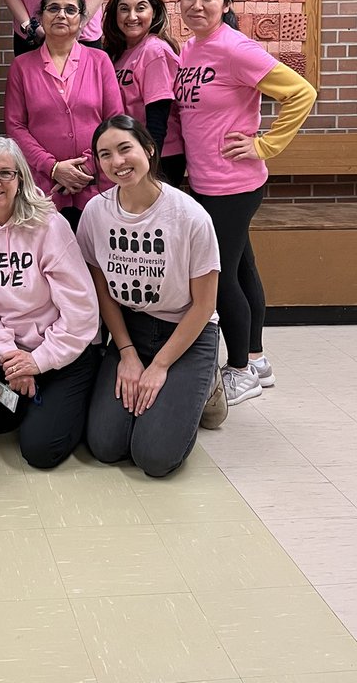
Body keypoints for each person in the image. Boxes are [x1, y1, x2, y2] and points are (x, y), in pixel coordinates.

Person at [176, 0, 316, 405]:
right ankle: (255, 357)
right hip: (206, 181)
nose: (197, 5)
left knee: (220, 279)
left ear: (226, 4)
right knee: (241, 268)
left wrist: (266, 144)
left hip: (233, 184)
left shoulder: (236, 48)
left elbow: (301, 93)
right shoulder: (191, 48)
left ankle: (239, 371)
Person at [77, 116, 222, 477]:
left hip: (186, 332)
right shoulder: (96, 212)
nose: (117, 162)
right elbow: (102, 290)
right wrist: (126, 352)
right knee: (106, 447)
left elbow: (205, 305)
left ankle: (207, 383)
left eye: (125, 149)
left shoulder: (189, 216)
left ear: (149, 149)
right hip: (132, 329)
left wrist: (159, 366)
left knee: (154, 458)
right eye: (105, 154)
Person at [0, 137, 100, 469]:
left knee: (41, 453)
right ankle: (19, 405)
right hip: (9, 345)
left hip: (62, 349)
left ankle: (62, 404)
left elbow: (81, 312)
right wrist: (10, 356)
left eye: (6, 173)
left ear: (21, 179)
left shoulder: (49, 225)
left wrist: (38, 361)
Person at [5, 0, 121, 232]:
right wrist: (54, 168)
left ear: (81, 20)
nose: (61, 15)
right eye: (53, 8)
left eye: (70, 10)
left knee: (96, 261)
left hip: (95, 183)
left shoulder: (99, 61)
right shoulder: (21, 66)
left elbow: (115, 121)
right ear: (40, 17)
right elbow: (15, 126)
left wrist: (87, 167)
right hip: (44, 187)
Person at [102, 0, 186, 187]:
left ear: (154, 12)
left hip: (159, 156)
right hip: (131, 154)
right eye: (124, 9)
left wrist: (149, 164)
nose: (132, 16)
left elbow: (158, 116)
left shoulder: (154, 51)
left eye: (141, 8)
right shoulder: (117, 53)